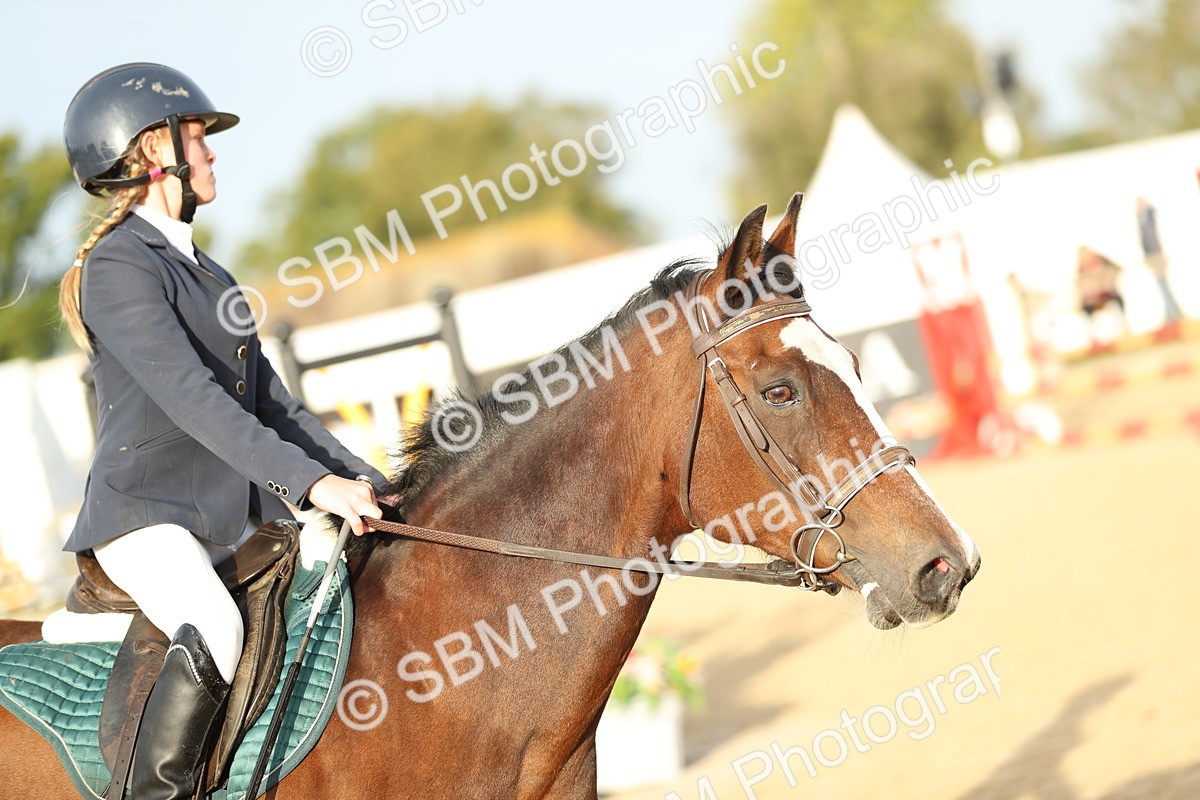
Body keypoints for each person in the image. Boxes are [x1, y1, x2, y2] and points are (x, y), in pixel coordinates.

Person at [59, 63, 386, 799]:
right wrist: (311, 484)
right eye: (199, 138)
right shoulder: (117, 267)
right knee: (214, 621)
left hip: (227, 514)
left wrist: (371, 483)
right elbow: (195, 401)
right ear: (155, 151)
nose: (211, 153)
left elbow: (276, 407)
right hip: (145, 516)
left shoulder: (210, 274)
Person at [1135, 196, 1183, 325]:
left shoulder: (1151, 217)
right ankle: (1171, 311)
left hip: (1159, 255)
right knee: (1162, 285)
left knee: (1165, 285)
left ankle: (1173, 312)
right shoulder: (1140, 221)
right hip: (1152, 258)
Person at [1075, 245, 1126, 346]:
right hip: (1091, 300)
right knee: (1086, 309)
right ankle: (1093, 337)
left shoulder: (1104, 262)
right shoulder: (1081, 272)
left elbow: (1118, 270)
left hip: (1107, 294)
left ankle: (1124, 329)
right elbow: (1080, 287)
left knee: (1117, 303)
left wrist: (1108, 282)